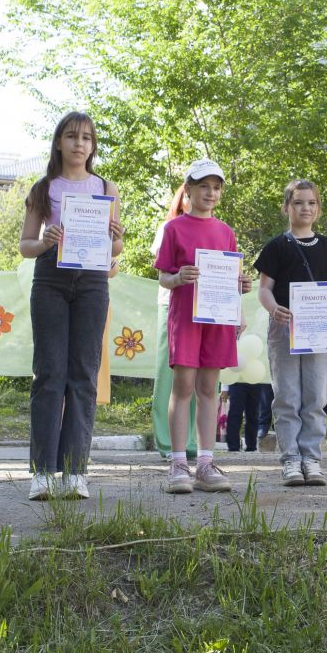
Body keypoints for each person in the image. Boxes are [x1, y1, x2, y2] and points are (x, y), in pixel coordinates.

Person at [19, 112, 124, 502]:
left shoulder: (106, 187)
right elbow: (25, 245)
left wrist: (117, 238)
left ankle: (75, 471)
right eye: (71, 136)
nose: (79, 144)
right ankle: (43, 471)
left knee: (84, 373)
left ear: (93, 146)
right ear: (59, 142)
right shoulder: (44, 188)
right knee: (49, 373)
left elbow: (115, 249)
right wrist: (46, 240)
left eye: (86, 138)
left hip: (93, 282)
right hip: (50, 279)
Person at [155, 159, 251, 493]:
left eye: (216, 187)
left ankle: (206, 464)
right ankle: (178, 463)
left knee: (209, 389)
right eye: (203, 186)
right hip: (186, 317)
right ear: (189, 190)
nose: (210, 193)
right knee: (183, 387)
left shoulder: (226, 232)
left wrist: (240, 290)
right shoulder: (174, 229)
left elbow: (231, 278)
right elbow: (164, 277)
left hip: (217, 319)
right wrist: (178, 277)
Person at [255, 179, 327, 487]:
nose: (305, 208)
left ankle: (312, 457)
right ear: (286, 207)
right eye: (298, 203)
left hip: (319, 332)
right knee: (287, 396)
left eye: (310, 203)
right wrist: (273, 309)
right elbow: (264, 290)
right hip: (284, 330)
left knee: (316, 395)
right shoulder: (276, 247)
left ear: (319, 208)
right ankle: (291, 460)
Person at [149, 185, 196, 459]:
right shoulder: (169, 228)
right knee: (170, 374)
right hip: (172, 305)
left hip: (205, 310)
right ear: (184, 198)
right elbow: (164, 271)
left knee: (200, 379)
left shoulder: (216, 229)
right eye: (195, 192)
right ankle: (167, 442)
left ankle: (191, 441)